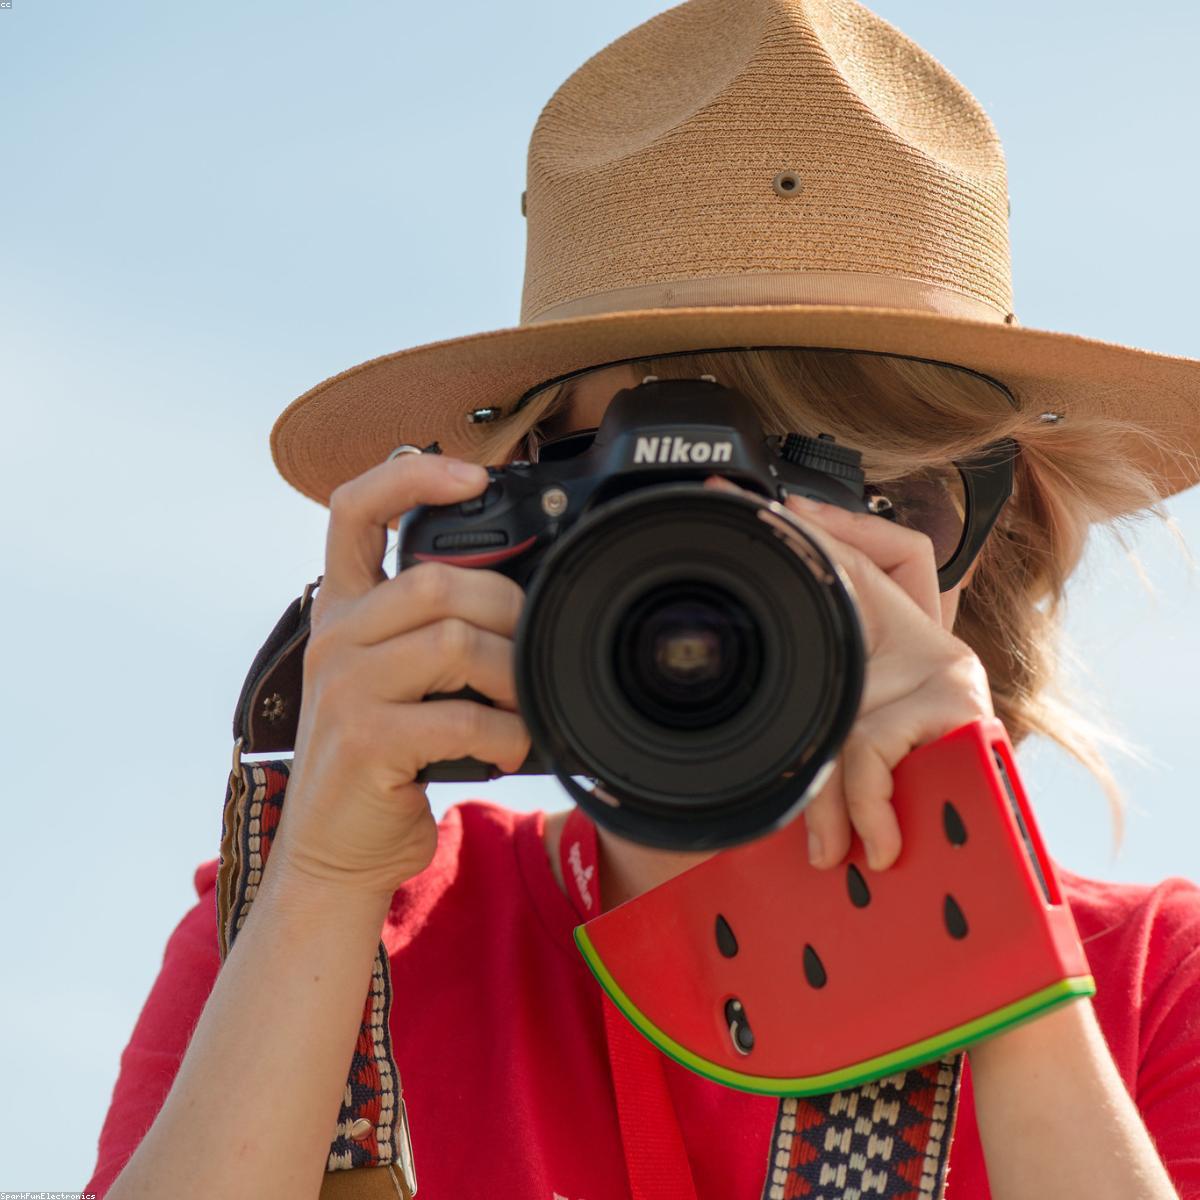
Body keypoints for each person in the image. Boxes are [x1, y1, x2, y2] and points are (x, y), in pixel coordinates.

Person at [85, 2, 1200, 1198]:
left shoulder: (1149, 984)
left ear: (998, 533)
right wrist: (318, 891)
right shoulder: (325, 930)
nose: (755, 563)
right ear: (508, 509)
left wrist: (1002, 969)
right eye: (673, 497)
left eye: (880, 494)